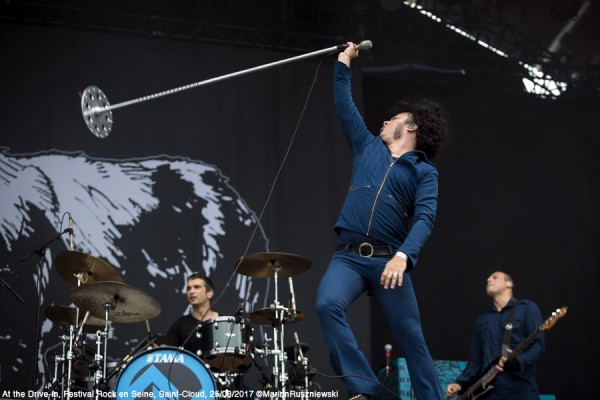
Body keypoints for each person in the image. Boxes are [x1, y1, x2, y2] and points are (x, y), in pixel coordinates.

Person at [316, 42, 448, 400]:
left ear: (411, 125)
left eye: (393, 119)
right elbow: (344, 106)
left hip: (389, 259)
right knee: (327, 304)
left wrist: (403, 257)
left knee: (412, 338)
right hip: (349, 257)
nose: (385, 121)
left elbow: (425, 219)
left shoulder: (424, 172)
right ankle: (362, 387)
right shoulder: (366, 146)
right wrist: (344, 62)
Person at [445, 272, 545, 400]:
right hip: (488, 394)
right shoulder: (482, 320)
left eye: (494, 277)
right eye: (488, 278)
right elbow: (475, 362)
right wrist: (459, 383)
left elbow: (538, 346)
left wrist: (518, 362)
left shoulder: (527, 308)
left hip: (520, 390)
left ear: (509, 284)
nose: (489, 279)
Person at [159, 273, 218, 352]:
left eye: (196, 287)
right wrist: (158, 351)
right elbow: (165, 352)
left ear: (209, 293)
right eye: (188, 288)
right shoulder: (179, 325)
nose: (191, 291)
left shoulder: (224, 322)